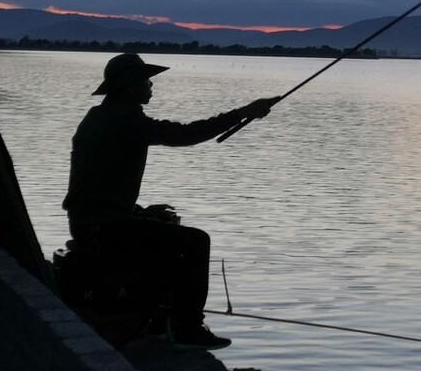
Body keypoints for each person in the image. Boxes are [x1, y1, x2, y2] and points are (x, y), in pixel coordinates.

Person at [63, 53, 280, 349]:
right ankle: (188, 328)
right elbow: (185, 134)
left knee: (163, 228)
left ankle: (161, 317)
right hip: (100, 227)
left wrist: (138, 212)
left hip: (97, 221)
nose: (151, 86)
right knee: (196, 241)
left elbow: (98, 187)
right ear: (129, 87)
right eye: (146, 81)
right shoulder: (123, 120)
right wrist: (243, 111)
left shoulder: (105, 116)